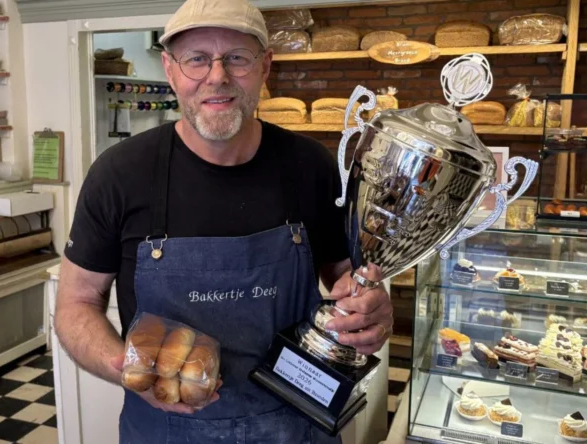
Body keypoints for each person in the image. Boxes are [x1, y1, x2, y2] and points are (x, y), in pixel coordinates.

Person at [55, 0, 393, 442]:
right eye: (197, 58)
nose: (217, 76)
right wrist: (127, 368)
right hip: (166, 428)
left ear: (265, 66)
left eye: (237, 57)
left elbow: (345, 276)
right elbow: (75, 306)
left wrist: (371, 311)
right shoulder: (120, 174)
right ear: (170, 69)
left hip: (293, 425)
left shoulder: (310, 165)